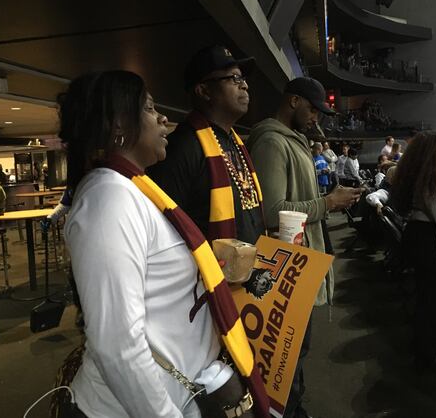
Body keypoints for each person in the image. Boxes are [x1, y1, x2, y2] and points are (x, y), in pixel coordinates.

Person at [59, 70, 268, 418]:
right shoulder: (109, 200)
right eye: (149, 108)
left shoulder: (135, 190)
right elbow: (117, 344)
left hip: (179, 393)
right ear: (118, 126)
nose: (162, 118)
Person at [247, 77, 361, 418]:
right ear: (293, 101)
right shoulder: (270, 142)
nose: (316, 117)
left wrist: (329, 203)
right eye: (312, 108)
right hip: (285, 267)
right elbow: (272, 210)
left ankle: (293, 407)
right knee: (288, 352)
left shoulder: (292, 140)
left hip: (299, 261)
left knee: (298, 349)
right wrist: (327, 203)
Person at [148, 45, 264, 245]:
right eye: (234, 78)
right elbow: (164, 229)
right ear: (204, 91)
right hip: (210, 273)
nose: (244, 85)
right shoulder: (183, 147)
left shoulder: (234, 142)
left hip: (252, 269)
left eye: (243, 79)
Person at [390, 131, 436, 370]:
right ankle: (426, 354)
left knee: (424, 298)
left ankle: (423, 348)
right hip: (427, 240)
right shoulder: (432, 182)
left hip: (415, 235)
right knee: (431, 300)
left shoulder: (415, 176)